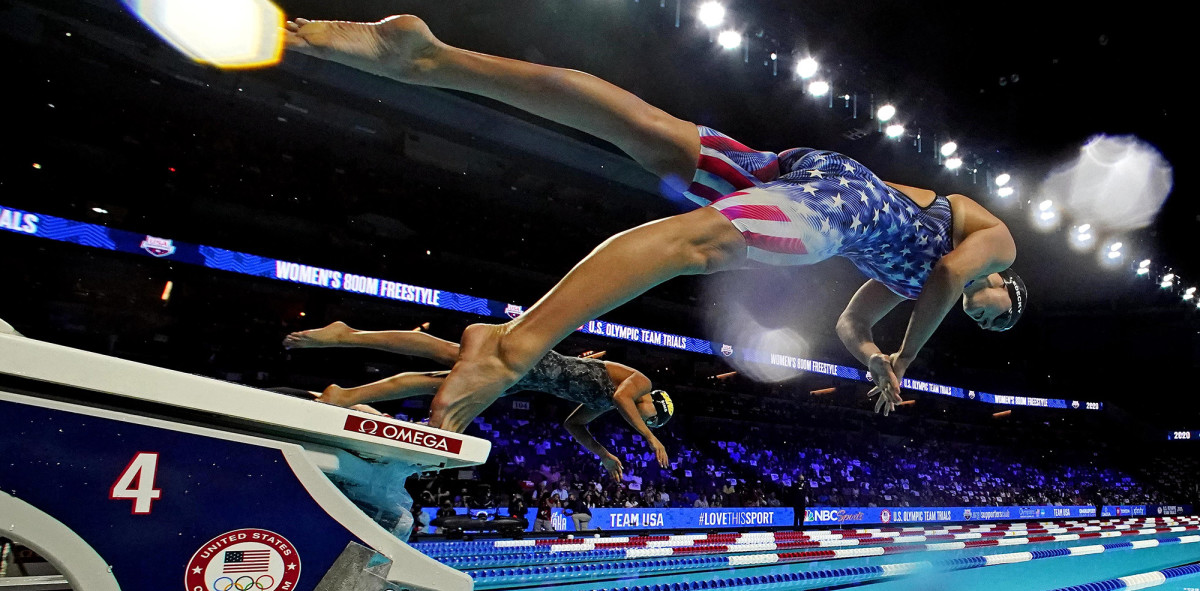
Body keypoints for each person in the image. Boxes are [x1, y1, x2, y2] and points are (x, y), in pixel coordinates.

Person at [283, 15, 1027, 431]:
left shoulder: (902, 273)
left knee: (645, 131)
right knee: (702, 245)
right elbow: (952, 274)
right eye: (997, 319)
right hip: (850, 196)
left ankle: (427, 57)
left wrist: (875, 360)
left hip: (813, 174)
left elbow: (852, 326)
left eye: (987, 330)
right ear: (1009, 287)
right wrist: (907, 359)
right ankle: (512, 351)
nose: (984, 320)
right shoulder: (990, 245)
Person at [284, 321, 674, 481]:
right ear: (653, 400)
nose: (651, 424)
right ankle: (347, 340)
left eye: (655, 426)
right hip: (523, 359)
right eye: (655, 419)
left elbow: (574, 424)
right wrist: (650, 440)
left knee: (438, 368)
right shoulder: (638, 383)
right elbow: (623, 397)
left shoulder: (603, 405)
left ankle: (347, 390)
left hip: (519, 378)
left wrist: (603, 454)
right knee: (441, 363)